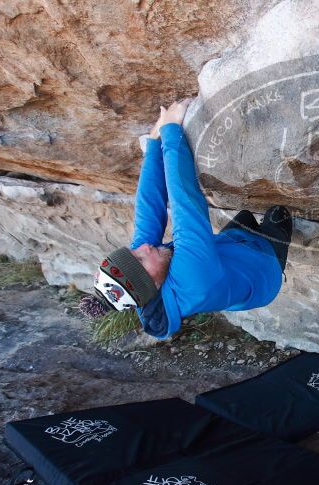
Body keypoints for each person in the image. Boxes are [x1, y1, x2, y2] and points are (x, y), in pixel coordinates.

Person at [92, 98, 292, 339]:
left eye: (132, 252)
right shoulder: (192, 281)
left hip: (230, 252)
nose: (143, 248)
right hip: (263, 273)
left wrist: (154, 145)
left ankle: (247, 237)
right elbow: (186, 205)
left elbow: (149, 208)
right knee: (278, 213)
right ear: (154, 287)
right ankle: (275, 241)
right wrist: (171, 130)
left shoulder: (144, 272)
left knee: (246, 217)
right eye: (141, 258)